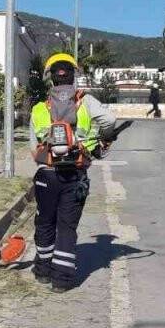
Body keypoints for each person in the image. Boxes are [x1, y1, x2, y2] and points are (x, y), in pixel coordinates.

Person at [31, 53, 117, 293]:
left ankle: (42, 271)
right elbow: (110, 119)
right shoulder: (86, 102)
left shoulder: (40, 107)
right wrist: (96, 140)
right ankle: (62, 281)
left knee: (45, 221)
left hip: (46, 174)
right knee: (67, 227)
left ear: (51, 79)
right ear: (73, 76)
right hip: (76, 173)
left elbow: (32, 147)